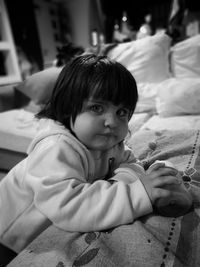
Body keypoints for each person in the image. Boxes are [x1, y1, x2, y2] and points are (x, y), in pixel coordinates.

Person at [0, 54, 184, 256]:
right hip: (11, 234)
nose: (112, 122)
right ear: (67, 107)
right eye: (97, 108)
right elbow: (70, 206)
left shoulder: (107, 141)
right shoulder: (55, 148)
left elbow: (130, 160)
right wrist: (138, 193)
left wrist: (122, 179)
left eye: (121, 112)